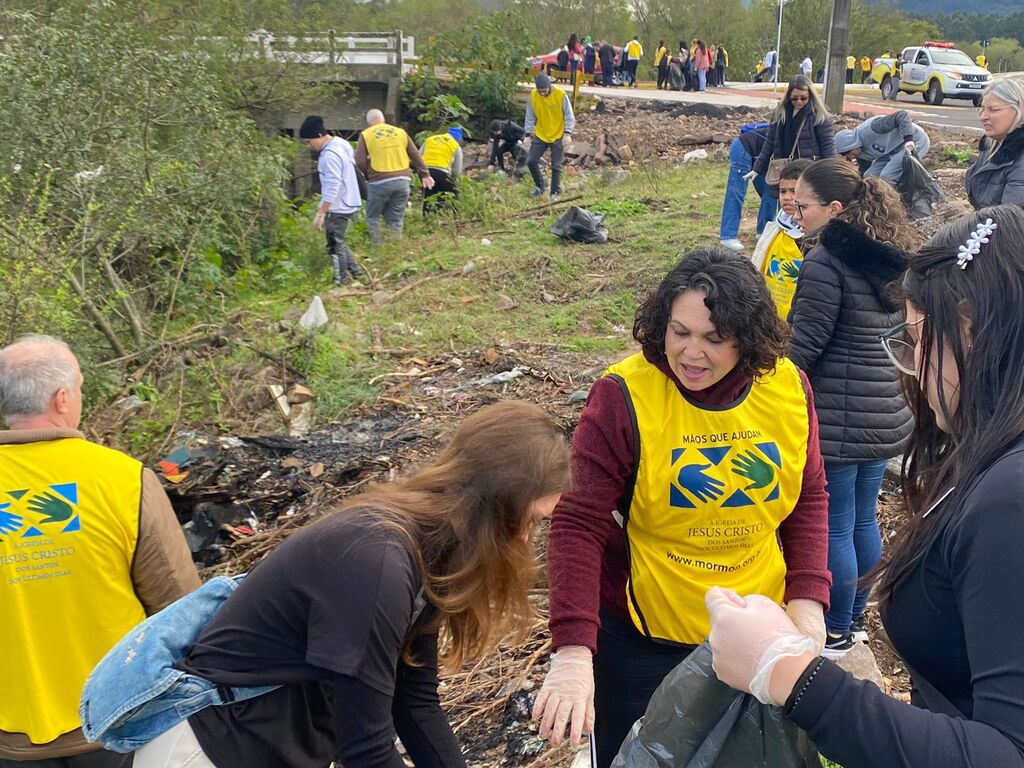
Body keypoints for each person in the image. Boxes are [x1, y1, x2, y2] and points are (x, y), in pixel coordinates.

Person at [708, 203, 1024, 768]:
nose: (911, 367)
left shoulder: (1011, 500)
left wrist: (790, 675)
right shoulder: (992, 462)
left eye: (918, 337)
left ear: (972, 326)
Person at [127, 401, 571, 768]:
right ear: (497, 503)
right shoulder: (375, 562)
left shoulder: (429, 554)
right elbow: (366, 750)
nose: (525, 540)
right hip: (208, 752)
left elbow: (413, 703)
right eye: (531, 520)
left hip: (269, 748)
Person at [532, 249, 831, 768]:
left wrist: (807, 596)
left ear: (749, 338)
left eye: (715, 339)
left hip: (754, 628)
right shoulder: (623, 396)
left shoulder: (786, 386)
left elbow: (808, 495)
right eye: (679, 331)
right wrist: (574, 650)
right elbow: (579, 522)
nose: (691, 353)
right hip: (644, 636)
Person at [0, 335, 199, 767]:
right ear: (63, 398)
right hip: (117, 719)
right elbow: (181, 607)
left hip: (9, 735)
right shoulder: (124, 480)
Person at [787, 157, 918, 655]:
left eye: (804, 206)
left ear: (834, 209)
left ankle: (837, 628)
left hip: (839, 418)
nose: (796, 215)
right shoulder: (894, 255)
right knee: (864, 518)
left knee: (835, 524)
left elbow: (805, 348)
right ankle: (856, 618)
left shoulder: (827, 262)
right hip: (886, 411)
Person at [299, 115, 366, 287]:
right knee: (339, 240)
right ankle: (357, 272)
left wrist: (321, 212)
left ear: (319, 135)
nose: (308, 146)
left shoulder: (328, 156)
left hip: (339, 204)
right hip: (350, 199)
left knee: (334, 245)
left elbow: (332, 185)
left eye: (308, 141)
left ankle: (340, 282)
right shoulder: (341, 143)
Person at [746, 75, 836, 199]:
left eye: (804, 98)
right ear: (789, 97)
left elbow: (828, 147)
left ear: (811, 95)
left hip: (808, 171)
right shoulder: (780, 113)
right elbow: (770, 143)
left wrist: (831, 175)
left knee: (804, 205)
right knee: (786, 205)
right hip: (785, 169)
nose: (799, 101)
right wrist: (757, 168)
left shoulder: (819, 115)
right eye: (794, 98)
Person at [355, 109, 434, 247]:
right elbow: (415, 154)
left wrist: (368, 175)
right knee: (396, 219)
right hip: (403, 181)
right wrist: (425, 174)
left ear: (369, 123)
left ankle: (378, 250)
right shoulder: (400, 132)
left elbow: (360, 161)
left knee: (373, 217)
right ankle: (395, 250)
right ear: (383, 120)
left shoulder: (366, 135)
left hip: (379, 181)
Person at [749, 159, 812, 320]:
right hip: (771, 316)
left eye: (794, 191)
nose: (786, 197)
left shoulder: (814, 236)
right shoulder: (775, 228)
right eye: (783, 191)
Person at [966, 77, 1024, 209]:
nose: (983, 117)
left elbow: (1012, 221)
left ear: (1019, 110)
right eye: (982, 109)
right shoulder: (991, 146)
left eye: (994, 110)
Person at [719, 122, 776, 252]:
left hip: (763, 157)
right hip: (744, 148)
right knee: (737, 191)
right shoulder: (783, 131)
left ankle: (763, 232)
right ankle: (728, 235)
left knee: (772, 189)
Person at [835, 110, 930, 186]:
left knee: (887, 176)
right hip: (892, 150)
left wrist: (908, 138)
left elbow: (901, 115)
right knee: (870, 177)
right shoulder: (861, 155)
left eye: (850, 153)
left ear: (851, 144)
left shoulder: (873, 128)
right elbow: (864, 173)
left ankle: (893, 202)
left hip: (915, 141)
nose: (852, 157)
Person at [524, 72, 575, 201]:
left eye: (544, 91)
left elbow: (569, 115)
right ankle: (540, 187)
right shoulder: (534, 95)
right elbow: (530, 116)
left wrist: (567, 133)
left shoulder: (560, 95)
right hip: (541, 134)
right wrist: (527, 134)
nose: (542, 93)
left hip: (558, 135)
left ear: (549, 86)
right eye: (540, 91)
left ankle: (554, 193)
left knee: (556, 165)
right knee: (531, 161)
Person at [419, 127, 464, 215]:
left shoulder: (430, 139)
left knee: (428, 195)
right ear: (458, 138)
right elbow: (457, 170)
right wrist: (453, 181)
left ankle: (426, 217)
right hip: (442, 172)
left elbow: (418, 156)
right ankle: (454, 217)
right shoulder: (455, 145)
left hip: (425, 172)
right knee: (452, 195)